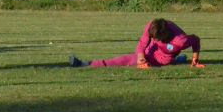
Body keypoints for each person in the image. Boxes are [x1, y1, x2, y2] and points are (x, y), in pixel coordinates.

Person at [69, 18, 205, 69]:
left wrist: (195, 60)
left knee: (125, 60)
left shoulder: (180, 40)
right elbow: (143, 42)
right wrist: (141, 57)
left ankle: (84, 64)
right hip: (151, 51)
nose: (154, 40)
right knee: (135, 57)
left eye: (156, 39)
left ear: (165, 35)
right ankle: (179, 59)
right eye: (152, 37)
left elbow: (196, 40)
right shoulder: (153, 25)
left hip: (161, 58)